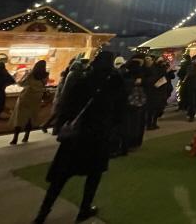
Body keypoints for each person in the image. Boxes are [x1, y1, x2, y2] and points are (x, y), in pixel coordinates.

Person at [33, 51, 126, 224]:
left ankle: (43, 213)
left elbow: (68, 106)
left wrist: (62, 126)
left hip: (76, 135)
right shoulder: (114, 82)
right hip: (98, 134)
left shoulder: (84, 80)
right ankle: (84, 208)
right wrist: (114, 130)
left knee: (60, 177)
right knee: (94, 175)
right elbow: (120, 110)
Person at [8, 60, 48, 145]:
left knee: (19, 118)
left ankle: (15, 138)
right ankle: (26, 137)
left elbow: (22, 84)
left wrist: (18, 79)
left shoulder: (31, 74)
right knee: (30, 118)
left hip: (26, 97)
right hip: (36, 99)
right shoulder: (46, 75)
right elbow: (45, 85)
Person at [178, 55, 196, 122]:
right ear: (194, 60)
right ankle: (191, 116)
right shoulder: (190, 66)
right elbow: (190, 74)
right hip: (192, 86)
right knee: (192, 102)